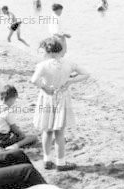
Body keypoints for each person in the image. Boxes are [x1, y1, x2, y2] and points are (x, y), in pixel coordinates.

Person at [32, 37, 90, 171]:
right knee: (59, 132)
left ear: (48, 51)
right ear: (60, 50)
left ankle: (47, 159)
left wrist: (45, 88)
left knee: (46, 130)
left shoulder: (43, 65)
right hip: (62, 97)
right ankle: (60, 162)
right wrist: (70, 81)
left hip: (47, 97)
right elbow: (86, 74)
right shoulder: (69, 63)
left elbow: (34, 80)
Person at [0, 85, 37, 150]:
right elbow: (14, 128)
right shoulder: (8, 111)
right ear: (12, 98)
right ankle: (15, 146)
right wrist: (22, 135)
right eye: (15, 99)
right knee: (32, 137)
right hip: (4, 139)